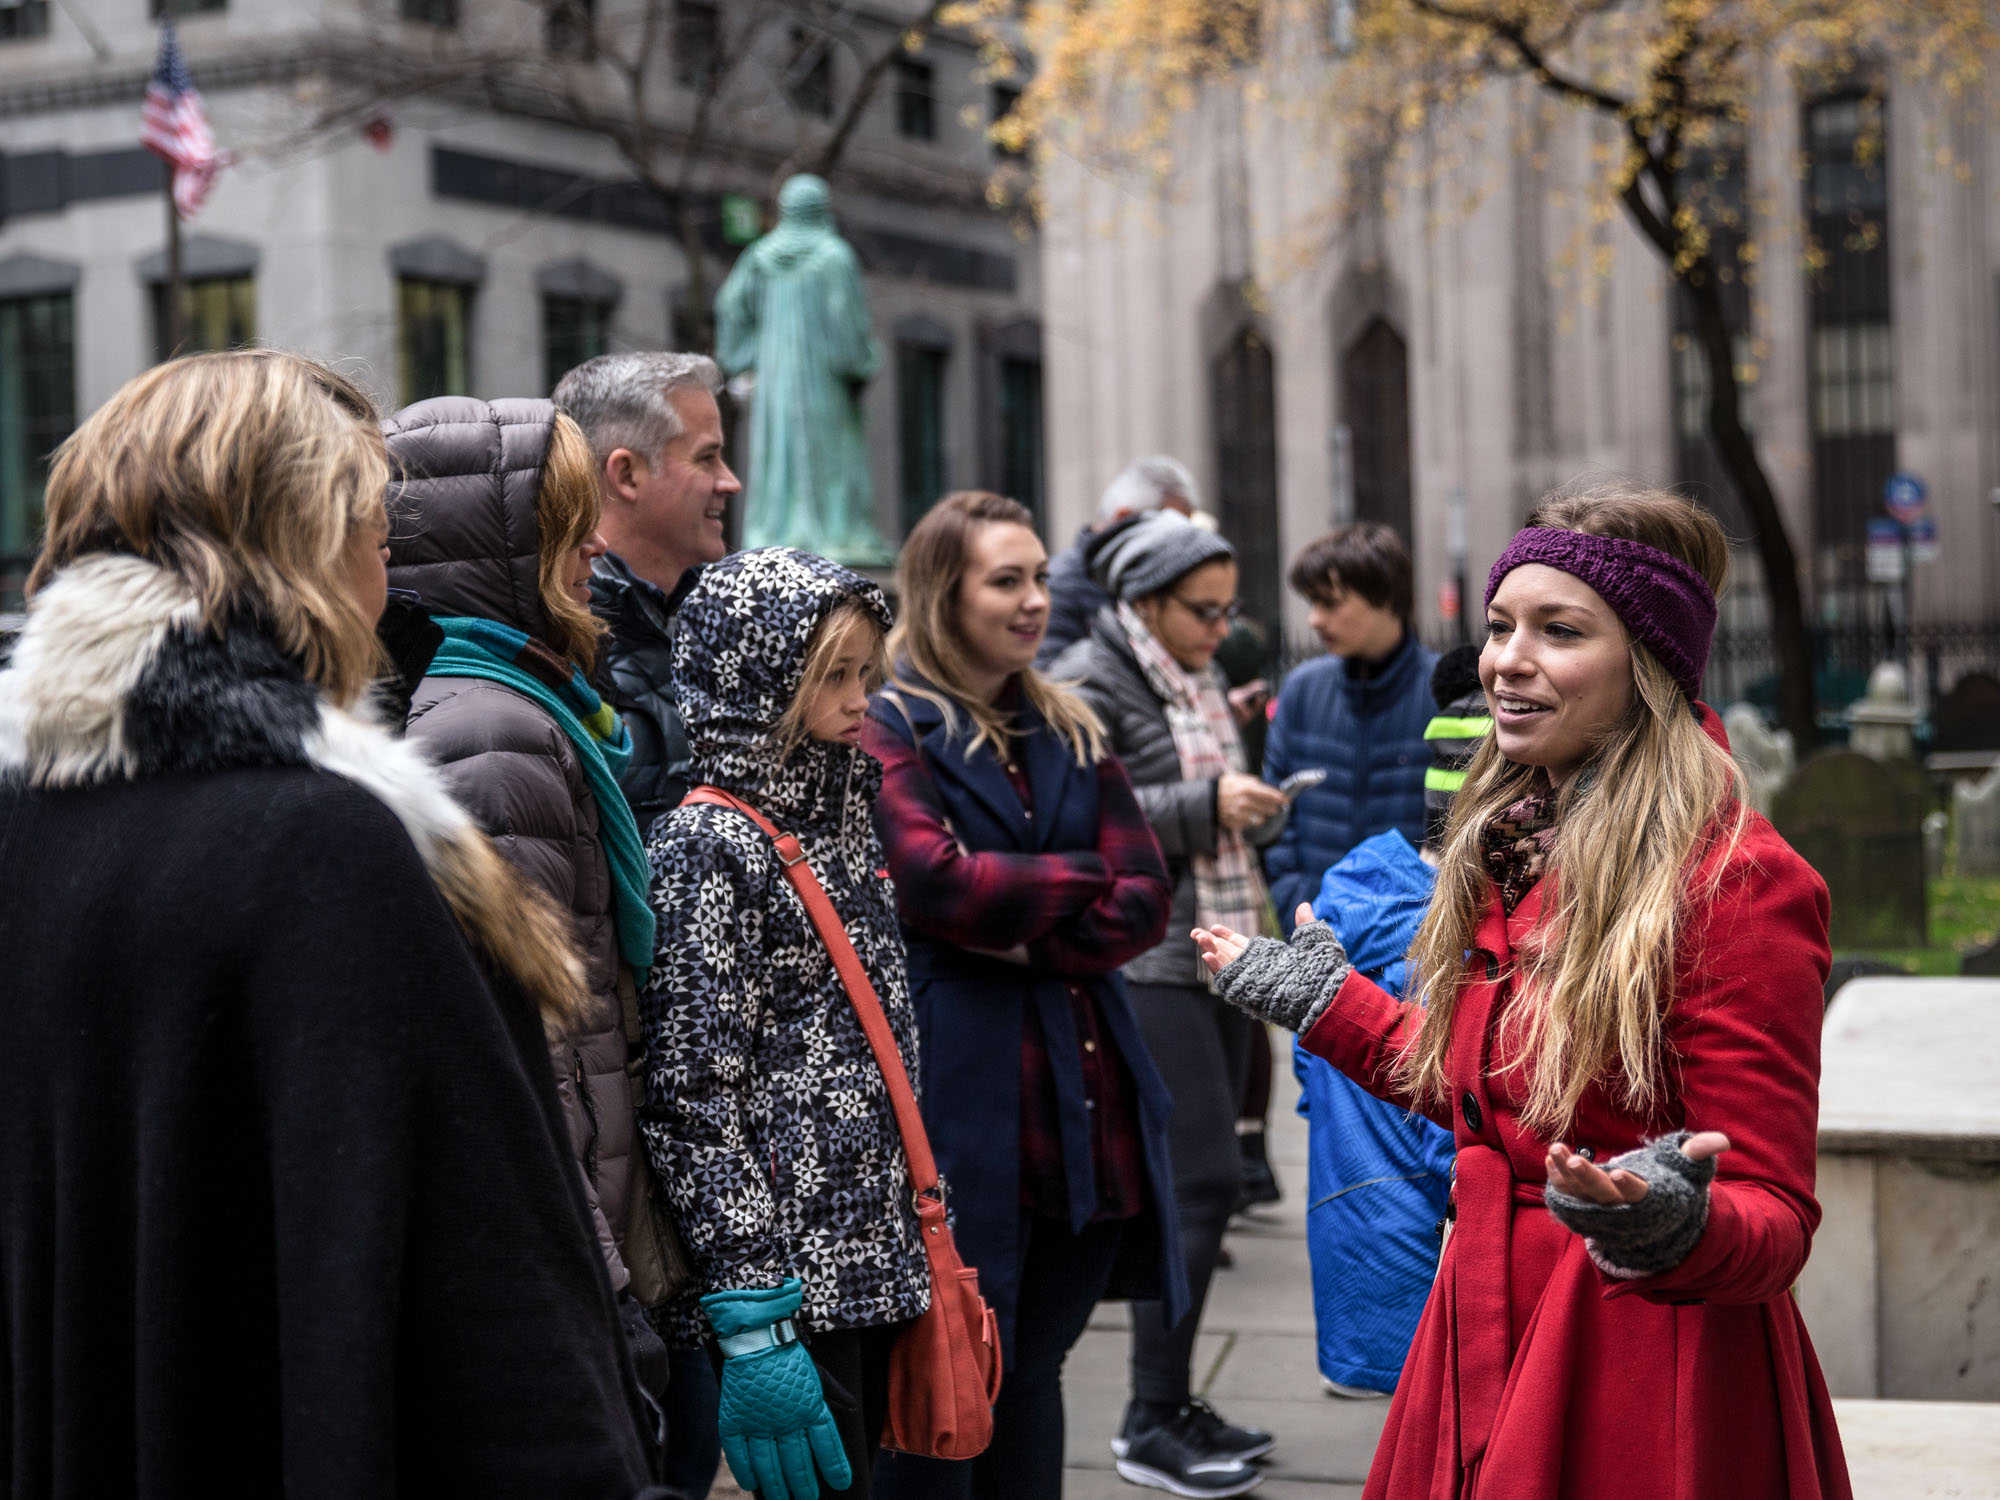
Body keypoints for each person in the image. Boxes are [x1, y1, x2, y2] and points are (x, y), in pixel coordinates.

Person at [0, 351, 661, 1497]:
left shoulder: (26, 825)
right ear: (297, 548)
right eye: (372, 534)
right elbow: (492, 1303)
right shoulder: (333, 844)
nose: (383, 573)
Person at [1194, 484, 1851, 1499]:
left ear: (1648, 666)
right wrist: (1330, 1008)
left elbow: (1771, 1216)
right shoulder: (1504, 845)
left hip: (1635, 1364)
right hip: (1474, 1324)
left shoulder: (1732, 884)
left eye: (1558, 631)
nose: (1506, 659)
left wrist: (1668, 1223)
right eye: (1500, 626)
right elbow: (1495, 1106)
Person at [863, 491, 1186, 1500]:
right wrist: (1079, 874)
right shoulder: (889, 726)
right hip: (961, 1106)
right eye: (1006, 578)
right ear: (939, 590)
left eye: (1041, 576)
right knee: (942, 1387)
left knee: (1033, 1374)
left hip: (1085, 1113)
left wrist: (1021, 930)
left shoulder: (1070, 726)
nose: (1035, 599)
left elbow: (1146, 902)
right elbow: (934, 884)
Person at [384, 397, 672, 1442]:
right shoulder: (494, 733)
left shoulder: (524, 703)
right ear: (500, 552)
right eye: (566, 517)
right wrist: (601, 1284)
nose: (596, 540)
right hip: (584, 1243)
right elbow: (532, 1040)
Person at [638, 547, 931, 1500]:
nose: (860, 702)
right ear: (755, 681)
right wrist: (754, 1306)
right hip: (790, 1274)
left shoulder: (840, 811)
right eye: (831, 677)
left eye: (864, 674)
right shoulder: (709, 842)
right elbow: (693, 1094)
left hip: (873, 1247)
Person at [1049, 511, 1288, 1497]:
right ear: (1144, 600)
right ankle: (1148, 1417)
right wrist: (1207, 806)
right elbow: (1081, 803)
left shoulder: (1184, 672)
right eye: (1202, 609)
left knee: (1209, 1185)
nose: (1218, 628)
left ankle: (1172, 1400)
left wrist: (1252, 803)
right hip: (1148, 957)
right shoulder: (1090, 677)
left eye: (1229, 609)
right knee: (1194, 1186)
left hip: (1211, 945)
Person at [1292, 646, 1486, 1400]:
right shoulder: (1482, 938)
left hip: (1361, 1218)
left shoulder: (1355, 888)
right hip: (1458, 1236)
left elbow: (1313, 1068)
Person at [555, 350, 742, 827]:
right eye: (708, 457)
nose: (731, 482)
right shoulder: (558, 643)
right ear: (627, 474)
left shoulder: (727, 627)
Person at [1261, 523, 1437, 932]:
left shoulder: (1446, 697)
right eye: (1311, 602)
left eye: (1330, 603)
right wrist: (1299, 904)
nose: (1314, 619)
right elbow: (1275, 813)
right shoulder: (1303, 690)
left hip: (1415, 941)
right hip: (1312, 929)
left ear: (1384, 596)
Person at [1036, 455, 1197, 667]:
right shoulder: (1059, 587)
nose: (1175, 549)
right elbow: (1052, 686)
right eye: (1167, 534)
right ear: (1123, 518)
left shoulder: (1142, 580)